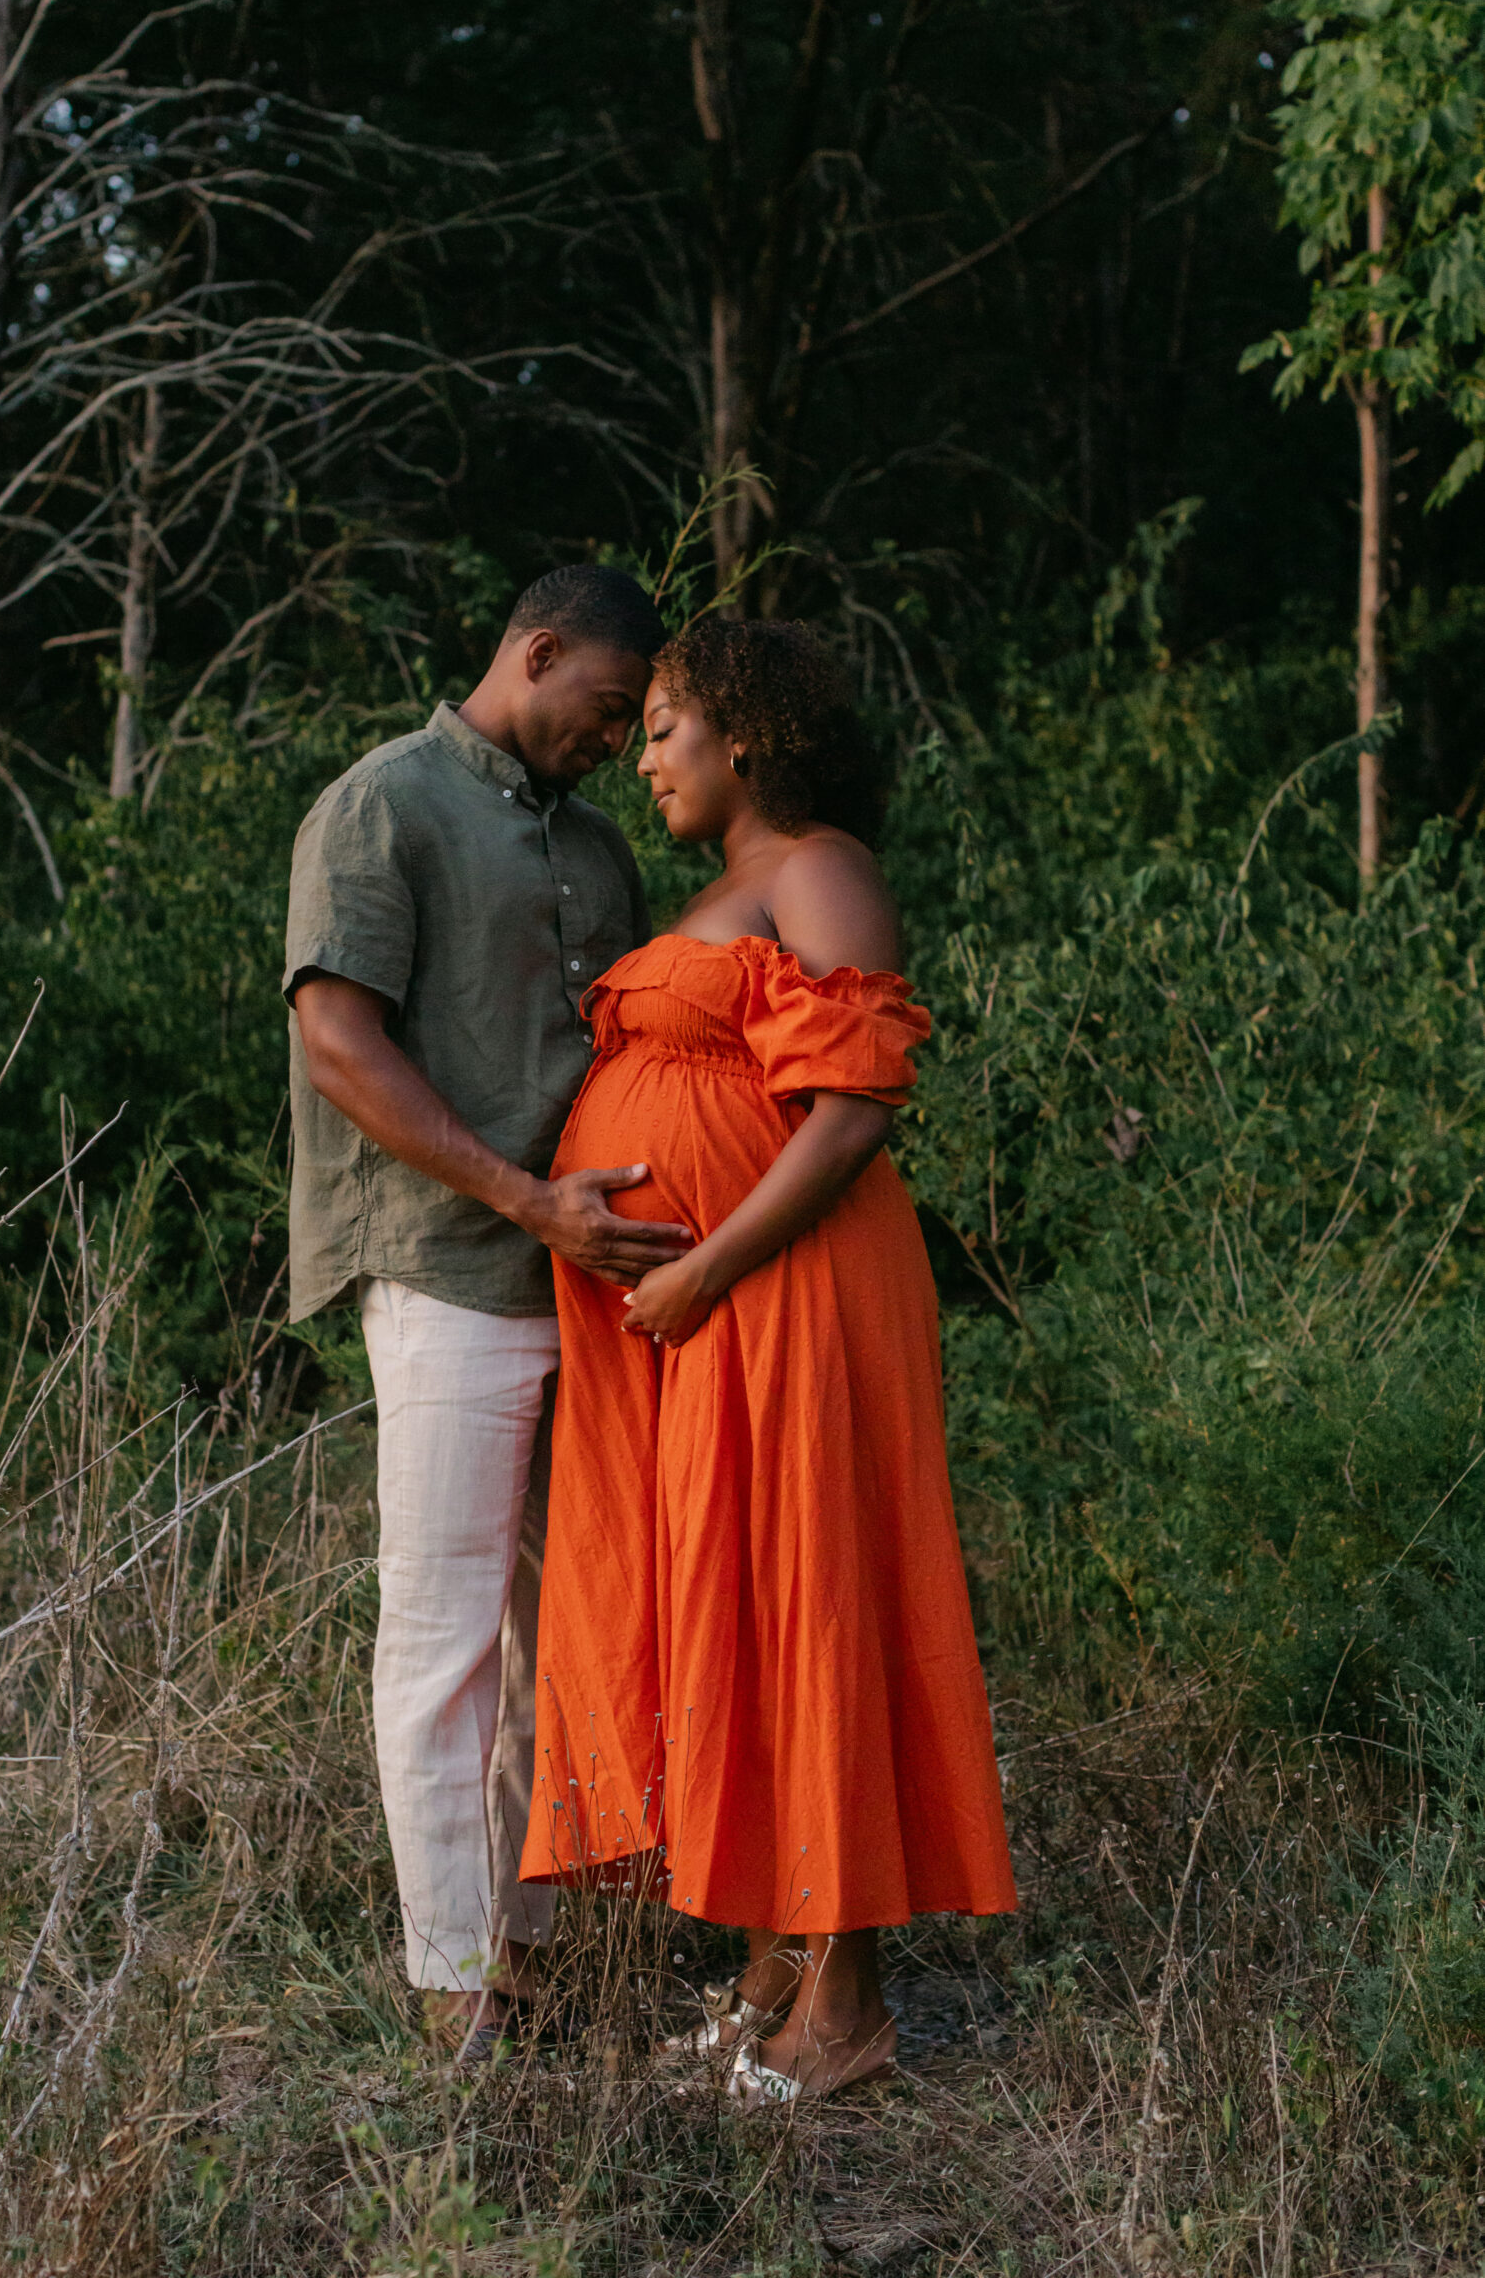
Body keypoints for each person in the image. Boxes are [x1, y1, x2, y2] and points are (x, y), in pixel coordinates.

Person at [519, 619, 1016, 2104]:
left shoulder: (819, 868)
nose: (644, 754)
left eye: (663, 724)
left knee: (810, 1595)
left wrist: (700, 1267)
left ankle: (847, 2001)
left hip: (789, 1287)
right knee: (724, 1598)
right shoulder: (724, 889)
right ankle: (771, 1967)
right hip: (707, 1304)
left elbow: (854, 1112)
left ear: (745, 736)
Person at [284, 565, 691, 2062]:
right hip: (455, 1271)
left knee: (557, 1621)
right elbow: (338, 1042)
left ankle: (527, 1943)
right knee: (443, 1630)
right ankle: (452, 1976)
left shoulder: (593, 842)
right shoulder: (382, 804)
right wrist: (529, 1205)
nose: (614, 743)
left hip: (595, 1292)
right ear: (535, 652)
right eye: (601, 709)